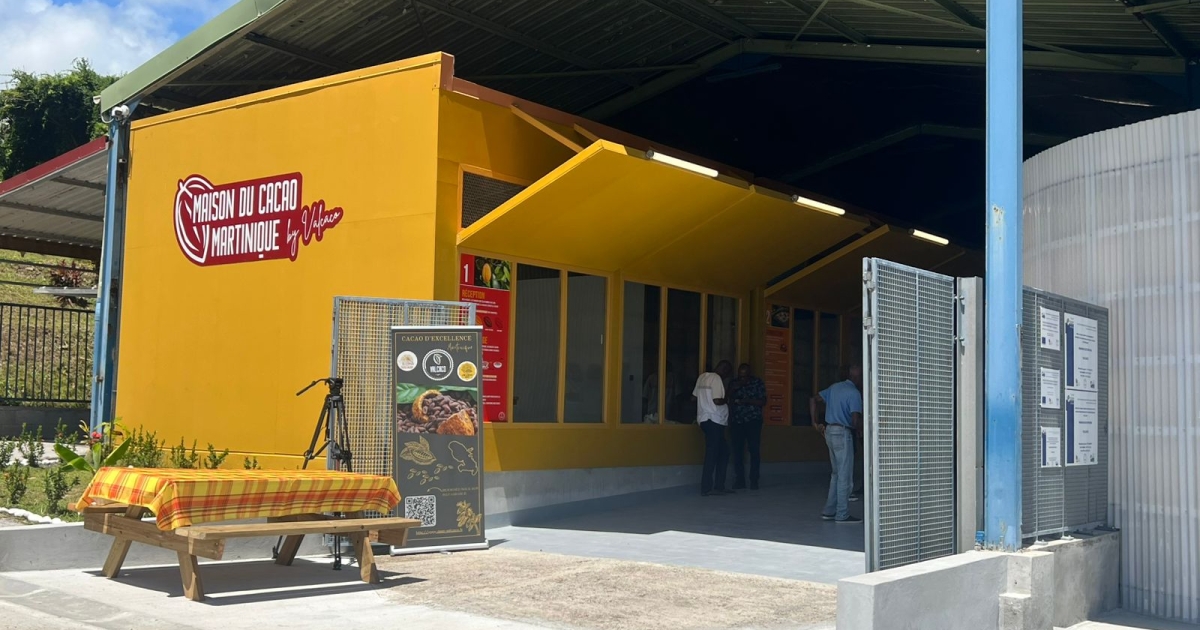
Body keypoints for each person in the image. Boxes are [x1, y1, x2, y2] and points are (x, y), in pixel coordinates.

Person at [810, 365, 863, 523]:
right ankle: (842, 514)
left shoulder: (834, 388)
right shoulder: (854, 393)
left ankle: (829, 510)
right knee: (845, 476)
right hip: (842, 433)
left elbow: (813, 399)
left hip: (829, 432)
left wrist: (814, 423)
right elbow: (854, 421)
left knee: (836, 474)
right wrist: (864, 428)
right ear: (856, 377)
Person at [693, 360, 733, 496]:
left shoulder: (702, 377)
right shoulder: (716, 379)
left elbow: (694, 397)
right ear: (725, 370)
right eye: (727, 373)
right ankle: (707, 488)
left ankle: (719, 486)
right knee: (712, 454)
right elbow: (717, 400)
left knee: (723, 452)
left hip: (704, 419)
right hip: (715, 420)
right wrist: (728, 397)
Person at [728, 363, 766, 490]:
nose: (742, 379)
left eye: (744, 376)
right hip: (737, 421)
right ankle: (740, 481)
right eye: (740, 376)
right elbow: (727, 399)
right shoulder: (734, 383)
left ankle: (754, 480)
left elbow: (763, 401)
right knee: (737, 452)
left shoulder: (757, 383)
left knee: (754, 450)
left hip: (753, 421)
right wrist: (734, 388)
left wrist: (745, 401)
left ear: (749, 374)